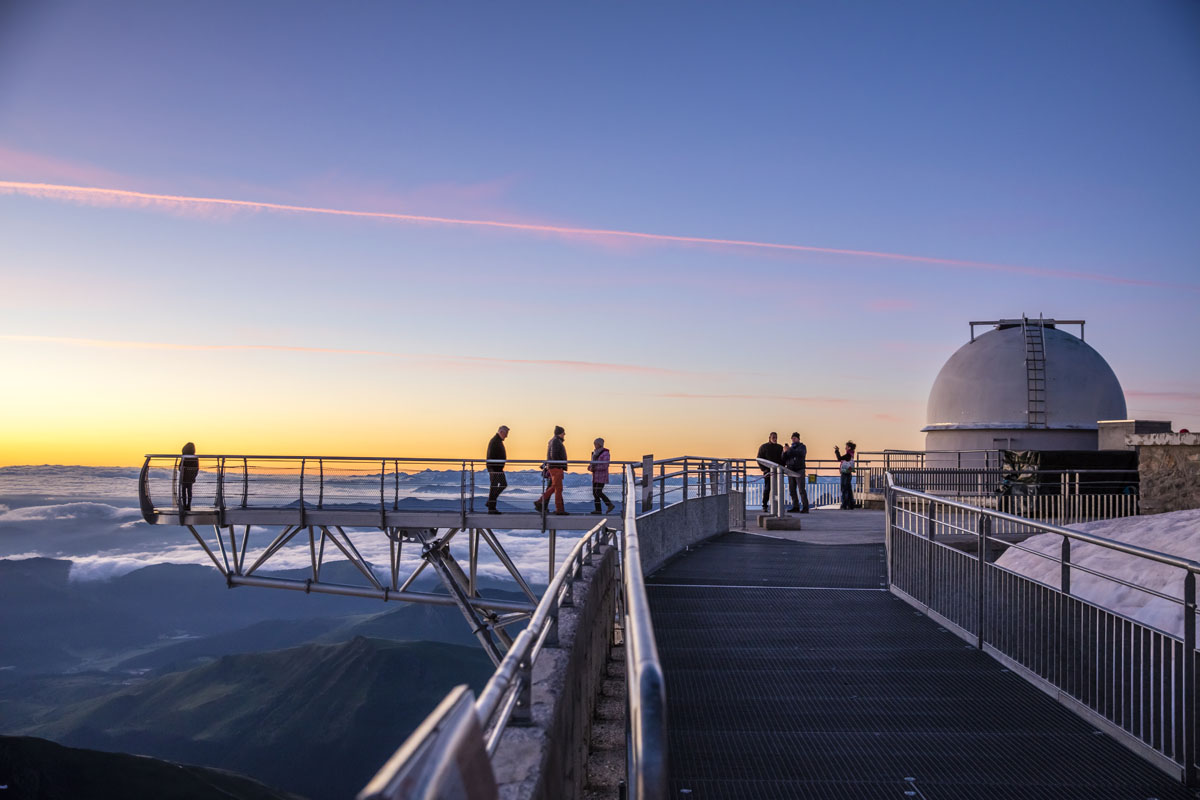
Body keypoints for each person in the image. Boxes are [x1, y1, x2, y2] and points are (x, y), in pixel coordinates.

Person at [535, 426, 569, 515]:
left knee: (555, 487)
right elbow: (554, 455)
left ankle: (541, 501)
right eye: (563, 433)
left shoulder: (554, 441)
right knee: (558, 488)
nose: (564, 434)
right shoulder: (556, 442)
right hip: (556, 467)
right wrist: (559, 464)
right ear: (559, 433)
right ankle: (559, 509)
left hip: (555, 467)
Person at [756, 432, 784, 512]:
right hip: (768, 472)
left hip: (778, 472)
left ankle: (777, 506)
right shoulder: (764, 447)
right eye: (773, 437)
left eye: (776, 437)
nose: (775, 439)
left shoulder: (780, 447)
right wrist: (764, 469)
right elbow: (759, 459)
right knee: (767, 489)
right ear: (769, 438)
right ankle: (765, 505)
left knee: (778, 489)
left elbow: (783, 459)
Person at [485, 425, 509, 514]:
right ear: (501, 432)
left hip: (497, 468)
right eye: (506, 433)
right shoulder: (495, 441)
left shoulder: (497, 441)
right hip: (495, 468)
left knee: (497, 486)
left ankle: (490, 504)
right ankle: (491, 507)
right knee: (496, 487)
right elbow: (491, 455)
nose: (506, 436)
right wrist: (492, 469)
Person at [588, 437, 615, 514]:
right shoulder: (595, 453)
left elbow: (605, 465)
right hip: (596, 476)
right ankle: (598, 510)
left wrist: (595, 468)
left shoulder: (605, 453)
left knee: (598, 492)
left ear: (600, 444)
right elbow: (592, 464)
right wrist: (590, 468)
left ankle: (609, 504)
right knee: (595, 492)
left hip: (601, 476)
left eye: (596, 444)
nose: (595, 445)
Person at [784, 432, 809, 513]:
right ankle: (795, 506)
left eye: (795, 438)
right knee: (792, 490)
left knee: (801, 489)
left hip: (799, 470)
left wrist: (789, 450)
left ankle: (805, 507)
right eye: (792, 438)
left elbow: (800, 454)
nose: (793, 440)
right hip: (790, 470)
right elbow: (784, 458)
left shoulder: (802, 447)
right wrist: (784, 452)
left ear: (798, 439)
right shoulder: (790, 448)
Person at [834, 440, 857, 510]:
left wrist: (837, 451)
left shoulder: (848, 455)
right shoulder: (851, 454)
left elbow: (839, 458)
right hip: (849, 473)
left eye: (846, 446)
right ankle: (851, 504)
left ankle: (844, 504)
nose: (845, 448)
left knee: (844, 489)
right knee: (848, 489)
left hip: (845, 473)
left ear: (849, 447)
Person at [179, 442, 199, 510]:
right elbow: (196, 468)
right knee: (189, 490)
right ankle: (189, 505)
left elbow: (180, 467)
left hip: (184, 476)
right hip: (190, 477)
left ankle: (184, 505)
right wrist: (194, 476)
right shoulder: (195, 458)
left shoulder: (184, 457)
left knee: (183, 490)